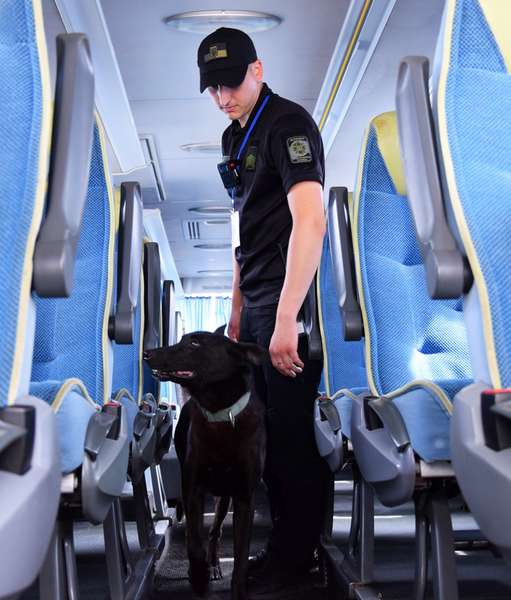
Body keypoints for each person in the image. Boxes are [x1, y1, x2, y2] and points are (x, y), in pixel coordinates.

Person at [197, 27, 331, 596]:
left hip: (285, 302)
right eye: (212, 87)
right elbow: (245, 228)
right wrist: (237, 307)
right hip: (255, 302)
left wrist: (284, 318)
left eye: (231, 83)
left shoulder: (288, 125)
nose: (222, 96)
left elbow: (311, 222)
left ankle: (298, 559)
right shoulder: (235, 137)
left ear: (258, 69)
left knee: (290, 434)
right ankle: (283, 548)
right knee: (264, 435)